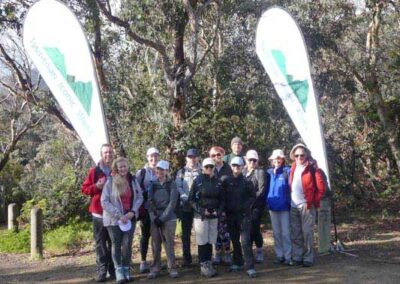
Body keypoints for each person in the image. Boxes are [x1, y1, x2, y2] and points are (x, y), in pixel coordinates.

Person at [101, 157, 143, 284]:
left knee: (127, 244)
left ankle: (126, 269)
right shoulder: (110, 182)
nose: (123, 169)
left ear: (128, 166)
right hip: (114, 220)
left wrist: (132, 212)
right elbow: (104, 201)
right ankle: (118, 271)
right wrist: (119, 215)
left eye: (125, 166)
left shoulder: (133, 180)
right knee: (116, 245)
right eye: (120, 167)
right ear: (116, 169)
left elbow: (140, 197)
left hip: (130, 218)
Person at [81, 144, 115, 282]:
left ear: (113, 154)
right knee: (100, 243)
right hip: (99, 214)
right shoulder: (94, 171)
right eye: (105, 152)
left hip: (114, 214)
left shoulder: (117, 170)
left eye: (110, 152)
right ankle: (102, 270)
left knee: (114, 243)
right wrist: (96, 186)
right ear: (101, 154)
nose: (108, 155)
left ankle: (113, 270)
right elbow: (84, 189)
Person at [289, 143, 326, 267]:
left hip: (306, 206)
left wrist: (311, 202)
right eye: (297, 155)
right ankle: (297, 257)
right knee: (295, 233)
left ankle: (308, 257)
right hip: (293, 205)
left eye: (302, 155)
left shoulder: (312, 168)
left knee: (307, 233)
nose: (299, 157)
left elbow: (321, 188)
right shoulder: (293, 167)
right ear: (293, 156)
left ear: (306, 155)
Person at [189, 158, 224, 277]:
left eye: (211, 167)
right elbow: (191, 199)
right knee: (202, 241)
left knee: (210, 240)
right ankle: (203, 264)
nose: (209, 169)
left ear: (214, 167)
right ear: (202, 168)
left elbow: (222, 200)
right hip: (201, 216)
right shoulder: (198, 180)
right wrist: (201, 210)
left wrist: (217, 211)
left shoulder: (218, 181)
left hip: (214, 215)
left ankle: (208, 263)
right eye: (206, 167)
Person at [223, 156, 256, 278]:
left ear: (243, 167)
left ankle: (250, 266)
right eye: (234, 165)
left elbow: (253, 197)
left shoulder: (247, 182)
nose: (236, 168)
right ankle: (238, 262)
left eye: (238, 166)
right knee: (235, 240)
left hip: (244, 216)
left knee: (246, 241)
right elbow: (223, 197)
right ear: (231, 167)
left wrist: (245, 206)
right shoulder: (226, 181)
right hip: (231, 216)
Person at [147, 160, 179, 279]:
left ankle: (172, 267)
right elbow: (149, 202)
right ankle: (155, 268)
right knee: (155, 243)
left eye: (162, 169)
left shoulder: (172, 184)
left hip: (169, 217)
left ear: (166, 171)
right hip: (155, 218)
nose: (159, 171)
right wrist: (154, 217)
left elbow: (173, 202)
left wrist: (163, 218)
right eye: (158, 169)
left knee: (169, 243)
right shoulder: (152, 184)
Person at [175, 148, 202, 267]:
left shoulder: (202, 170)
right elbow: (178, 187)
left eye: (194, 157)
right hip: (185, 206)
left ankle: (203, 258)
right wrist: (185, 198)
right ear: (186, 158)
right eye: (190, 157)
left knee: (200, 232)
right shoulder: (181, 172)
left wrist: (196, 199)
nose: (192, 159)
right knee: (185, 234)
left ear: (198, 158)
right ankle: (187, 259)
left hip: (198, 205)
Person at [266, 149, 293, 266]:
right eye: (275, 158)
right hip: (272, 207)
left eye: (279, 158)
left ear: (283, 160)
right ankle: (279, 255)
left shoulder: (287, 171)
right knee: (276, 233)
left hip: (285, 207)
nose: (277, 160)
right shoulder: (268, 173)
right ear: (271, 160)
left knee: (286, 233)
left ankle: (288, 256)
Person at [135, 147, 159, 273]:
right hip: (145, 210)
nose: (153, 158)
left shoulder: (162, 170)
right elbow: (136, 190)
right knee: (145, 235)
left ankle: (156, 261)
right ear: (147, 157)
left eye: (155, 156)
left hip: (159, 210)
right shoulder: (141, 173)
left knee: (157, 236)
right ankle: (143, 262)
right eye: (151, 156)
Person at [209, 146, 232, 265]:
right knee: (215, 231)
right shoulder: (209, 168)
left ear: (223, 155)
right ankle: (217, 253)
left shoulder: (228, 168)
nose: (216, 157)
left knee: (225, 231)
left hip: (226, 205)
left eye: (218, 155)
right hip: (213, 205)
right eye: (213, 155)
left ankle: (227, 253)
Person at [243, 150, 266, 263]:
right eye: (250, 160)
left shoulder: (259, 172)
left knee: (255, 228)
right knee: (247, 229)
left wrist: (250, 201)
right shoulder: (243, 171)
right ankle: (249, 253)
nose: (252, 162)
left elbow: (261, 190)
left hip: (256, 206)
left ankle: (260, 251)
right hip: (244, 207)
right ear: (246, 160)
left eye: (254, 160)